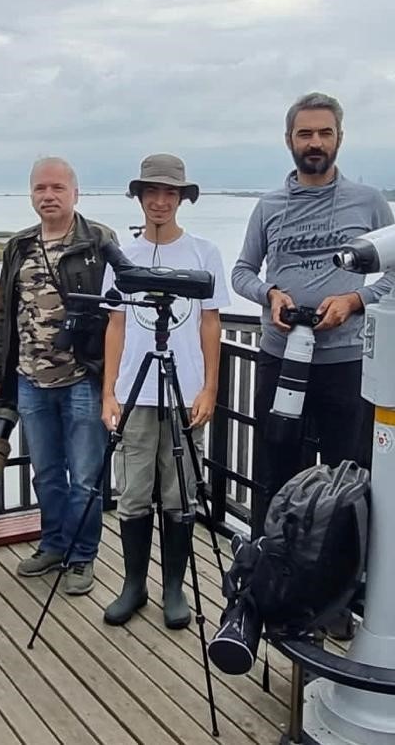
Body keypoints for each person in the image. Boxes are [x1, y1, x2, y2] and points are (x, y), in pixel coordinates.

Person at [232, 92, 395, 538]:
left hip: (345, 364)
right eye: (305, 133)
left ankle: (339, 585)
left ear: (340, 138)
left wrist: (353, 302)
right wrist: (269, 295)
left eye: (325, 132)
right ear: (289, 140)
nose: (315, 142)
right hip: (280, 360)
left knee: (347, 476)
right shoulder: (268, 206)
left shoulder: (369, 202)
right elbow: (241, 272)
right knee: (276, 470)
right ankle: (269, 572)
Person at [99, 154, 229, 628]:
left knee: (180, 495)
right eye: (150, 192)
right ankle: (134, 584)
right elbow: (114, 323)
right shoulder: (122, 255)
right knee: (132, 493)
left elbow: (211, 324)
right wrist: (108, 392)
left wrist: (210, 387)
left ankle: (174, 586)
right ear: (139, 196)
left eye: (169, 193)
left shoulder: (203, 252)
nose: (159, 201)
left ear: (181, 199)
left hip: (184, 392)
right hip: (135, 392)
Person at [0, 157, 116, 596]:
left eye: (58, 188)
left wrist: (109, 380)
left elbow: (116, 313)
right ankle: (53, 544)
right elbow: (5, 314)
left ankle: (83, 556)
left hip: (83, 376)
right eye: (41, 188)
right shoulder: (18, 246)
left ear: (75, 193)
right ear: (31, 194)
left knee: (84, 476)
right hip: (29, 378)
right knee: (45, 473)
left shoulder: (99, 240)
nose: (49, 195)